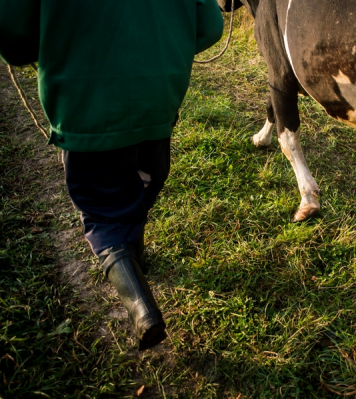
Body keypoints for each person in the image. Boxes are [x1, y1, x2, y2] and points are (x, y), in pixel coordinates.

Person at [0, 0, 224, 350]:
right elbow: (209, 27)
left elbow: (13, 34)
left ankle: (140, 305)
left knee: (103, 210)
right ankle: (134, 257)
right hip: (158, 100)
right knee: (140, 186)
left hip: (88, 103)